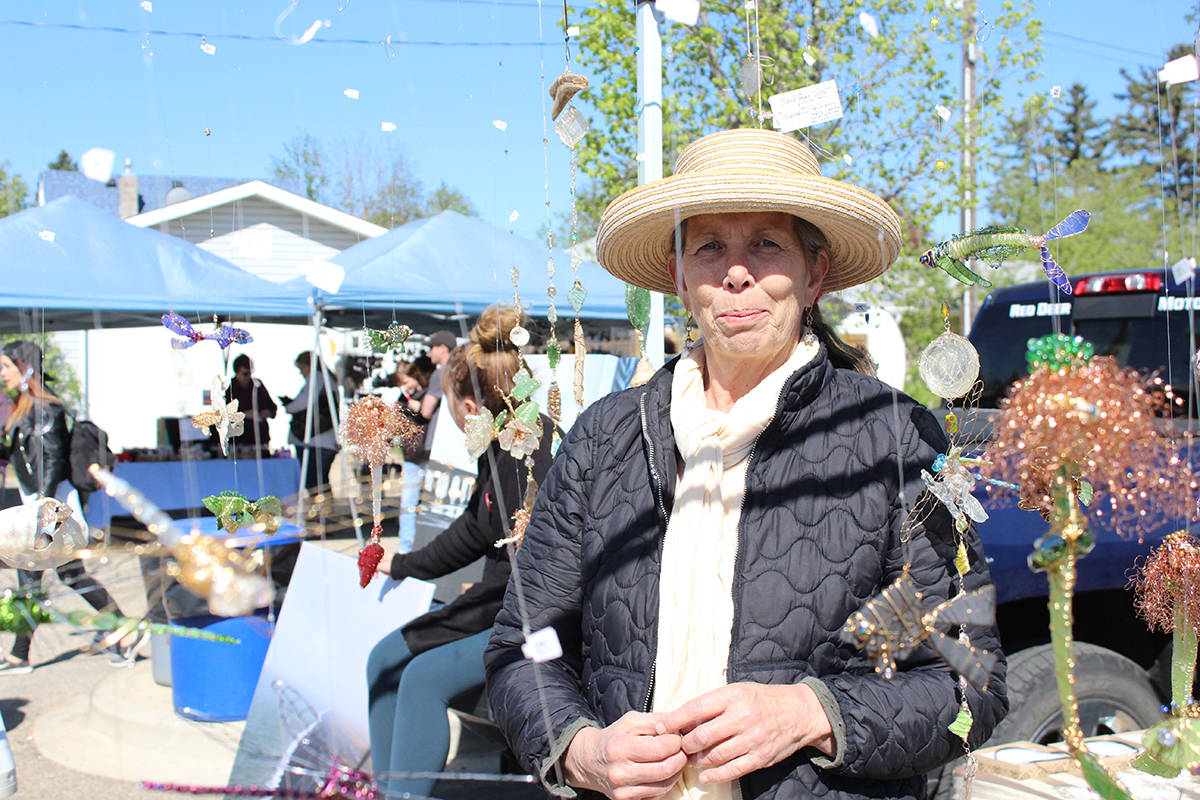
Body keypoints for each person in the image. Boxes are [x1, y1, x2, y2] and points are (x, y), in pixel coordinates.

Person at [485, 129, 1007, 800]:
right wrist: (578, 748)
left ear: (814, 275)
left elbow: (972, 676)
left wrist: (816, 714)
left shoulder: (896, 438)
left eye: (766, 244)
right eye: (709, 247)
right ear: (679, 277)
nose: (737, 271)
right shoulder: (602, 439)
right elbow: (525, 648)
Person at [366, 305, 554, 799]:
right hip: (501, 604)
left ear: (470, 408)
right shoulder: (502, 443)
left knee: (419, 679)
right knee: (383, 659)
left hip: (536, 622)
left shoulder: (526, 453)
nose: (448, 415)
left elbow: (535, 570)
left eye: (449, 404)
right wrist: (404, 565)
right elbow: (476, 529)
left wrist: (468, 593)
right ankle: (387, 788)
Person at [0, 341, 135, 673]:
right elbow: (20, 455)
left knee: (46, 574)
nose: (1, 374)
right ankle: (118, 629)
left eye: (6, 366)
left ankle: (21, 653)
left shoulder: (45, 409)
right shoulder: (26, 407)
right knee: (59, 575)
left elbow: (54, 460)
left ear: (25, 368)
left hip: (50, 510)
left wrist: (41, 513)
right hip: (44, 507)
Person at [398, 331, 456, 553]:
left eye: (432, 347)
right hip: (456, 443)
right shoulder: (461, 370)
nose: (429, 351)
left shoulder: (440, 374)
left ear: (442, 348)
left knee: (411, 499)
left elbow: (426, 411)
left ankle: (406, 548)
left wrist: (414, 407)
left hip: (433, 444)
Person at [282, 351, 339, 492]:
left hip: (317, 441)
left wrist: (288, 407)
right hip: (324, 441)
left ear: (308, 366)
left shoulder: (317, 378)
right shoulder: (327, 380)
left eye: (301, 369)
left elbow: (303, 402)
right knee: (320, 483)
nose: (301, 373)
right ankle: (326, 513)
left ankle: (323, 513)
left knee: (315, 485)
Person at [225, 354, 277, 455]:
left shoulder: (257, 385)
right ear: (237, 372)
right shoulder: (230, 388)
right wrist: (244, 415)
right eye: (245, 373)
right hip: (239, 443)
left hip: (260, 440)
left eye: (250, 373)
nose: (248, 377)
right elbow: (224, 414)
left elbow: (272, 407)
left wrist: (268, 412)